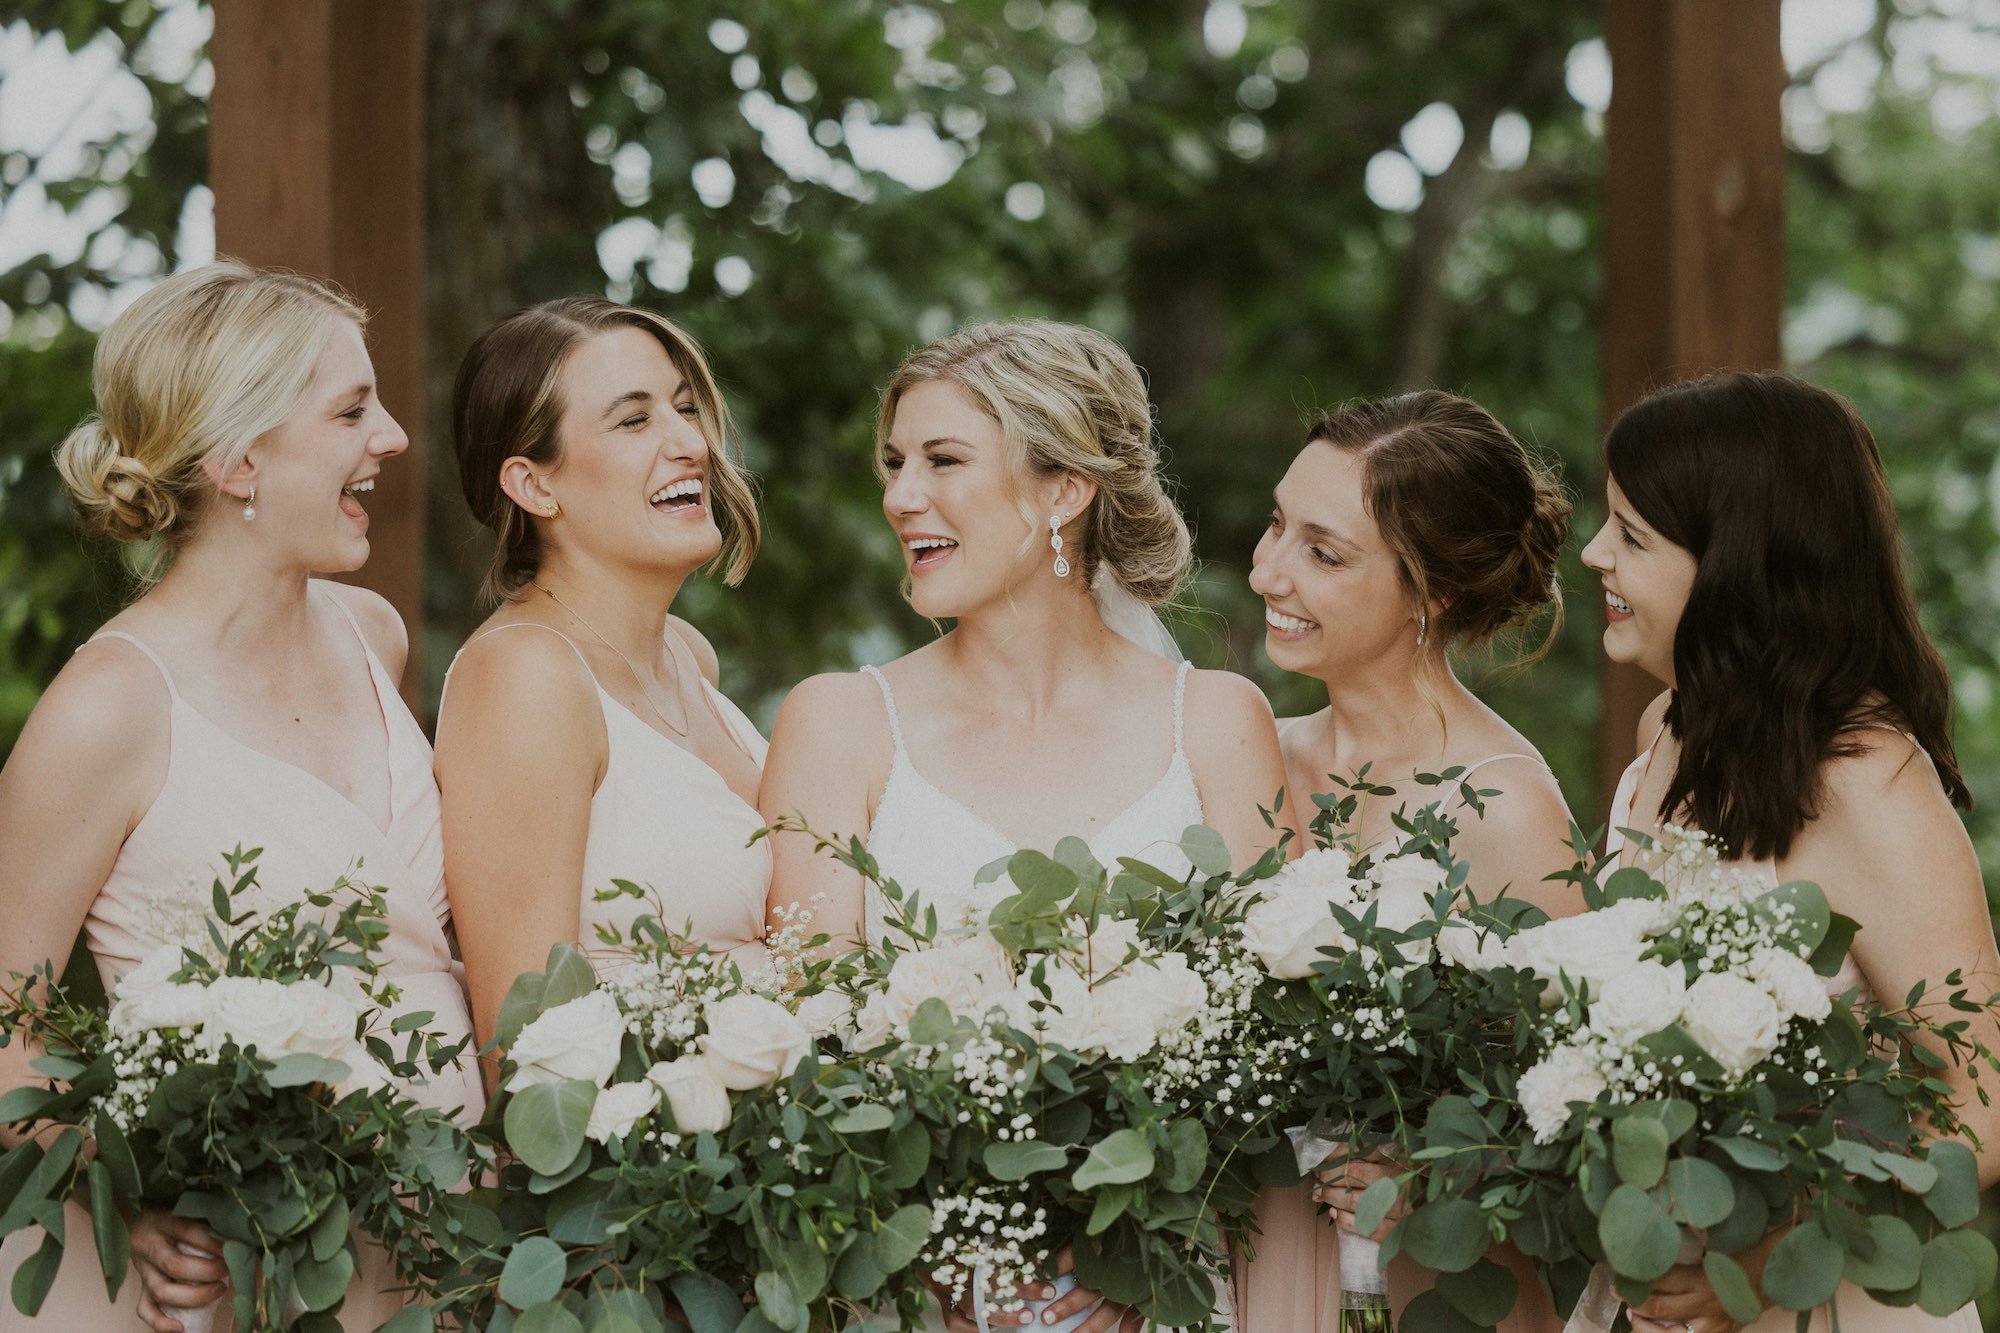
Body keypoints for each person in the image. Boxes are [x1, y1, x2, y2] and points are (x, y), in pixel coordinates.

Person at [762, 320, 1295, 1331]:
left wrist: (1127, 1247)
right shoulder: (836, 721)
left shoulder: (1218, 721)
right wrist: (956, 1262)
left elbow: (1274, 1047)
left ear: (1063, 489)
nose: (898, 495)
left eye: (942, 460)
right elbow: (813, 1042)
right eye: (893, 462)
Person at [0, 260, 482, 1332]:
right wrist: (125, 1197)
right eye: (353, 409)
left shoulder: (374, 636)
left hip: (439, 1248)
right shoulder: (111, 709)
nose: (394, 436)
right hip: (243, 1284)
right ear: (237, 458)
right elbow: (5, 1028)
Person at [1581, 371, 1998, 1333]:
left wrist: (1784, 1253)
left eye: (1633, 536)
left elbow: (1984, 1103)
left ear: (1735, 565)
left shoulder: (1866, 776)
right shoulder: (1666, 729)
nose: (1596, 554)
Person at [1242, 390, 1579, 1330]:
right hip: (1260, 1258)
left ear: (1432, 591)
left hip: (1430, 1289)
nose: (1269, 570)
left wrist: (1441, 1171)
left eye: (1324, 552)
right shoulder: (1253, 754)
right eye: (1276, 524)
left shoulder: (1505, 805)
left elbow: (1581, 1108)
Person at [435, 298, 769, 1071]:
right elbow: (525, 1051)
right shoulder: (526, 677)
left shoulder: (689, 655)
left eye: (685, 408)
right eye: (634, 421)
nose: (691, 442)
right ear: (534, 484)